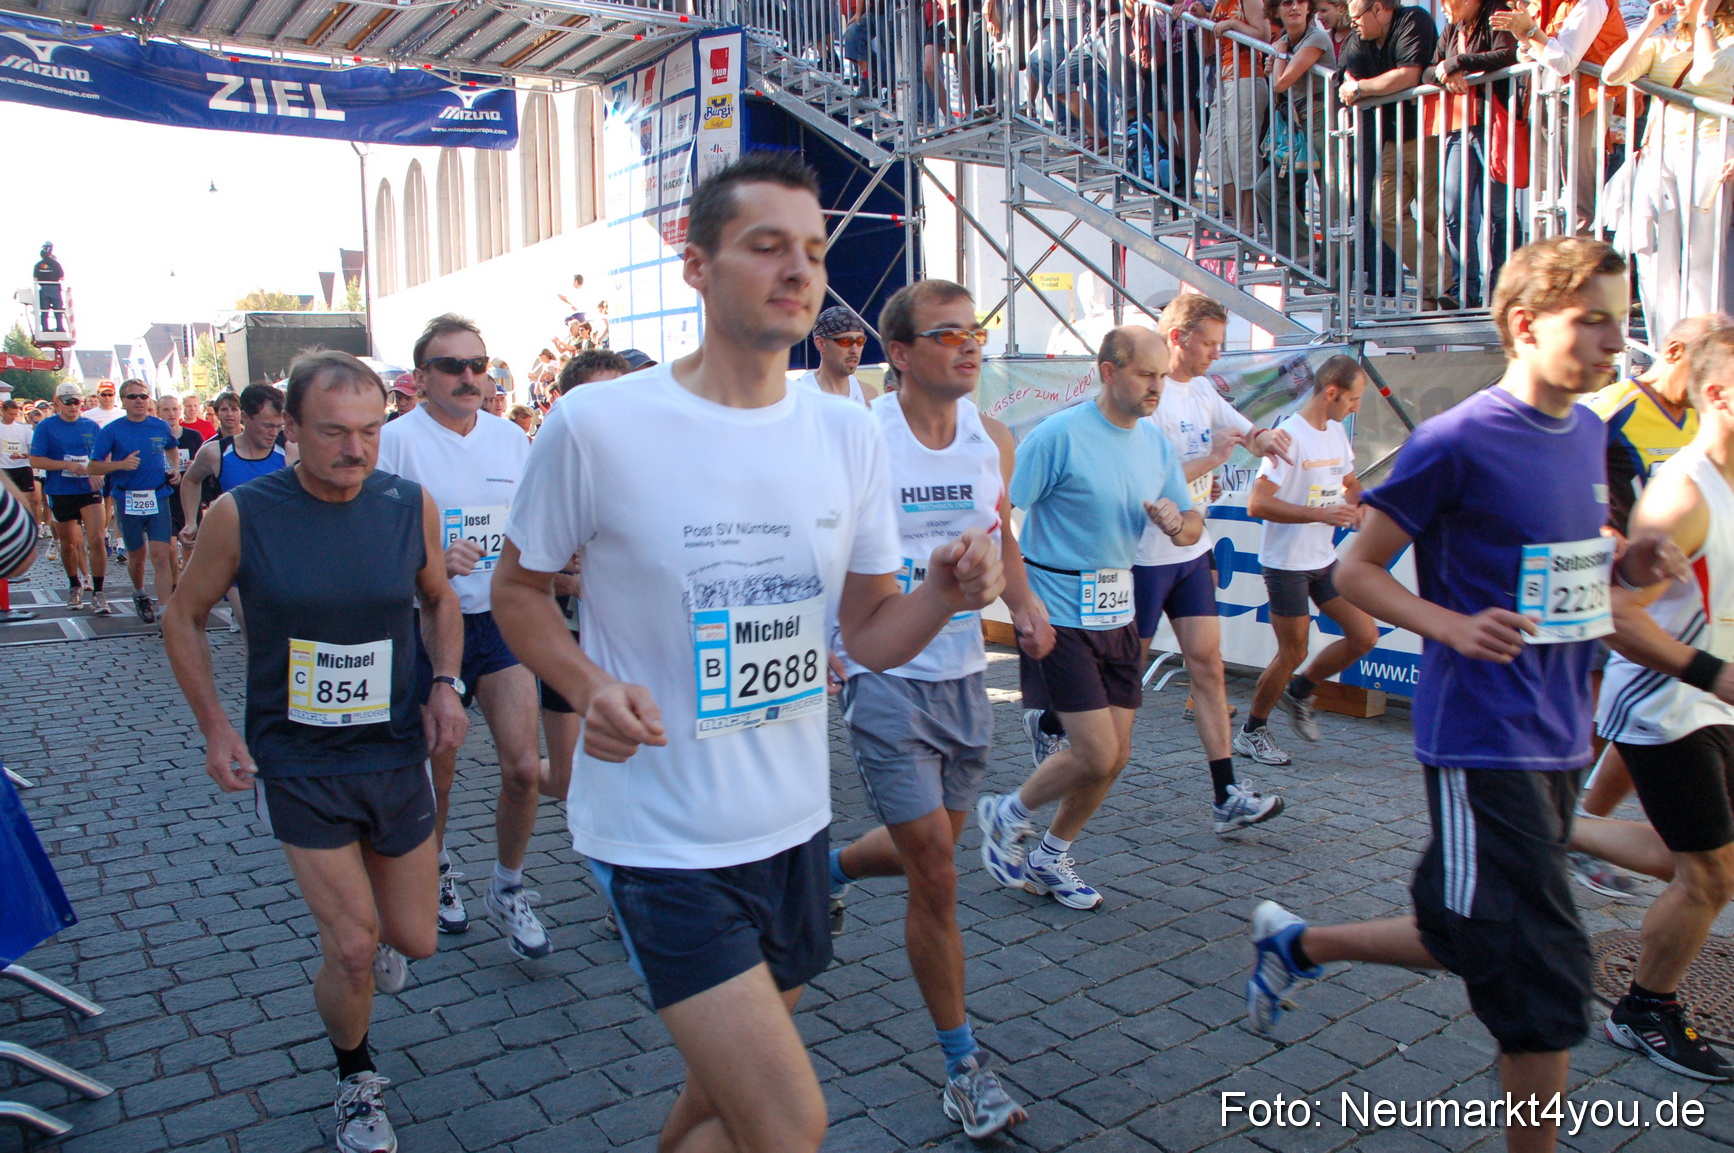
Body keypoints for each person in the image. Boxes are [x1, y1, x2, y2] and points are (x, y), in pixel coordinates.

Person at [491, 150, 1003, 1153]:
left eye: (812, 251)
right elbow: (516, 590)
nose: (799, 271)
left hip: (793, 827)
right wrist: (587, 684)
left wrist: (943, 593)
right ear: (696, 265)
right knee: (787, 1118)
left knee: (726, 1099)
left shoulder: (845, 436)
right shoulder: (598, 423)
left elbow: (867, 635)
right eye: (766, 246)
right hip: (658, 836)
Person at [1246, 237, 1679, 1153]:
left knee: (1461, 929)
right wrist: (1447, 625)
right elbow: (1357, 570)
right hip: (1483, 735)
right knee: (1546, 972)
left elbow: (1571, 572)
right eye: (1593, 317)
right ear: (1526, 324)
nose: (1615, 338)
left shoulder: (1596, 436)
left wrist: (1629, 563)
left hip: (1563, 726)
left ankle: (1296, 945)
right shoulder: (1457, 438)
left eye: (1621, 316)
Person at [164, 350, 468, 1153]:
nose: (356, 448)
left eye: (370, 430)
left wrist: (445, 683)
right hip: (297, 760)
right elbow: (182, 615)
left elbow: (439, 599)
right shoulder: (244, 512)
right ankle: (355, 1080)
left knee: (417, 937)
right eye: (333, 431)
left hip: (396, 750)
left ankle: (361, 952)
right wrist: (216, 729)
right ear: (289, 427)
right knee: (355, 944)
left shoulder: (410, 504)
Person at [827, 279, 1050, 1138]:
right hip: (886, 678)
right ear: (901, 353)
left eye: (977, 331)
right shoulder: (865, 439)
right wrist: (829, 643)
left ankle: (832, 871)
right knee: (940, 874)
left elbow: (1000, 531)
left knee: (942, 847)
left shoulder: (988, 440)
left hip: (962, 676)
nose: (970, 345)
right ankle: (964, 1065)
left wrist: (1023, 606)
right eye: (947, 333)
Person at [975, 323, 1207, 912]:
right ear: (1109, 372)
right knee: (1097, 753)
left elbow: (1191, 521)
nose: (1158, 386)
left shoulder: (1154, 443)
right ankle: (1005, 813)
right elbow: (1001, 514)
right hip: (1060, 613)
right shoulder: (1059, 435)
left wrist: (1177, 525)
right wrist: (1019, 602)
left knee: (1116, 756)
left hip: (1119, 611)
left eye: (1161, 375)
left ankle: (1052, 854)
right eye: (1145, 374)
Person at [1586, 313, 1734, 1083]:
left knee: (1707, 862)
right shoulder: (1681, 493)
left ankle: (1552, 824)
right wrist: (1715, 673)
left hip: (1714, 704)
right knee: (1708, 874)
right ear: (1720, 391)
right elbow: (1612, 615)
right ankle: (1643, 1009)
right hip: (1664, 706)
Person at [378, 315, 547, 957]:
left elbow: (533, 525)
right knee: (438, 775)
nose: (470, 376)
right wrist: (425, 559)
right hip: (427, 622)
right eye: (453, 366)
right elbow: (366, 539)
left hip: (501, 620)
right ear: (421, 378)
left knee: (524, 768)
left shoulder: (511, 440)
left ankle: (507, 888)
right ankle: (438, 869)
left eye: (479, 364)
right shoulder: (394, 444)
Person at [1130, 296, 1293, 828]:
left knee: (1208, 666)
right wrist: (1215, 460)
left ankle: (1226, 794)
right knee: (1121, 678)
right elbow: (1153, 482)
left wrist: (1267, 438)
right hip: (1142, 556)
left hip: (1191, 552)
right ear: (1178, 337)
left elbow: (1247, 430)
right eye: (1209, 344)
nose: (1215, 356)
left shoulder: (1201, 389)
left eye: (1221, 345)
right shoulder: (1147, 395)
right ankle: (1061, 726)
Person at [1567, 318, 1707, 897]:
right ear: (1674, 351)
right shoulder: (1612, 405)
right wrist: (1605, 529)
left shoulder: (1705, 417)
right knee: (1604, 717)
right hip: (1614, 587)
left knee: (1640, 722)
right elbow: (1569, 477)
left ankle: (1577, 831)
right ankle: (1551, 826)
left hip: (1681, 597)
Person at [1241, 355, 1379, 757]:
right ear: (1331, 392)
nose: (1356, 407)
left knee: (1364, 634)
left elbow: (1350, 480)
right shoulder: (1290, 436)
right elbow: (1257, 504)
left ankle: (1299, 692)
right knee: (1294, 651)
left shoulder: (1335, 433)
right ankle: (1252, 731)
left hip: (1322, 560)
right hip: (1286, 563)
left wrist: (1359, 505)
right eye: (1352, 399)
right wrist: (1321, 514)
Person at [1601, 0, 1734, 344]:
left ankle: (1703, 349)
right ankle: (1668, 347)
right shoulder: (1662, 43)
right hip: (1658, 155)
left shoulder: (1730, 44)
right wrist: (1648, 25)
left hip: (1709, 151)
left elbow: (1708, 74)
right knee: (1655, 257)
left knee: (1702, 260)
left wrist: (1703, 17)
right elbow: (1612, 74)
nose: (1675, 1)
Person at [1338, 0, 1448, 305]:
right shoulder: (1360, 38)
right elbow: (1347, 80)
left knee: (1431, 218)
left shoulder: (1414, 19)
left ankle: (1434, 296)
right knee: (1383, 215)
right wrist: (1369, 86)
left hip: (1428, 134)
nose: (1353, 24)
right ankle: (1442, 283)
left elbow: (1407, 77)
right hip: (1390, 140)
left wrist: (1363, 88)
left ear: (1378, 9)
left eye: (1357, 17)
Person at [1493, 0, 1628, 235]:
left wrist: (1531, 32)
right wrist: (1526, 38)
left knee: (1581, 199)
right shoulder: (1551, 6)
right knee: (1545, 196)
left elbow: (1564, 62)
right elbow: (1528, 56)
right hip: (1548, 102)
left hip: (1583, 105)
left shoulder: (1592, 3)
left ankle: (1582, 266)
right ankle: (1548, 263)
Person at [1429, 0, 1519, 309]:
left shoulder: (1496, 10)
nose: (1442, 7)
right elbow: (1430, 68)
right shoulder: (1454, 26)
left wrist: (1458, 64)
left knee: (1498, 211)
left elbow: (1508, 53)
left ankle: (1502, 289)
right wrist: (1444, 73)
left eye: (1445, 1)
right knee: (1454, 209)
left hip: (1492, 122)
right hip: (1458, 125)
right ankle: (1463, 287)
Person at [88, 380, 180, 623]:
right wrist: (120, 465)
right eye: (132, 397)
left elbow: (172, 448)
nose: (138, 400)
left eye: (143, 396)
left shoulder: (160, 426)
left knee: (161, 555)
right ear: (123, 401)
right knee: (137, 557)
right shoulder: (112, 430)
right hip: (128, 499)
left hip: (158, 497)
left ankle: (165, 613)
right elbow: (93, 465)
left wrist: (173, 468)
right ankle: (139, 593)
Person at [31, 383, 105, 612]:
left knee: (97, 539)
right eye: (68, 402)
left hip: (88, 490)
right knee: (69, 544)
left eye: (77, 402)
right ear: (57, 404)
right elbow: (35, 461)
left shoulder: (91, 426)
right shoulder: (46, 427)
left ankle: (100, 591)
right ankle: (74, 584)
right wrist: (67, 465)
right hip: (61, 490)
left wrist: (98, 472)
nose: (74, 406)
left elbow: (104, 454)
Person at [1202, 0, 1272, 231]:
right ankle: (1240, 219)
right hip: (1222, 81)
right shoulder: (1220, 4)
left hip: (1247, 77)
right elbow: (1207, 51)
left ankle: (1249, 221)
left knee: (1242, 151)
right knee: (1216, 155)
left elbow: (1264, 36)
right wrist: (1202, 21)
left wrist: (1233, 23)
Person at [157, 393, 205, 565]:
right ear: (158, 413)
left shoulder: (193, 436)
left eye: (175, 409)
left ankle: (187, 578)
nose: (171, 413)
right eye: (166, 409)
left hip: (189, 497)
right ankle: (175, 584)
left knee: (190, 545)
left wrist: (196, 464)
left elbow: (204, 465)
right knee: (169, 547)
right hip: (165, 496)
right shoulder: (156, 439)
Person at [795, 306, 876, 404]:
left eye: (860, 341)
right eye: (845, 341)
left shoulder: (868, 395)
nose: (854, 350)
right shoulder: (797, 395)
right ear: (820, 343)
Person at [0, 399, 41, 531]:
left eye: (15, 414)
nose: (13, 417)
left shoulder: (25, 429)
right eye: (10, 414)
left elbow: (33, 452)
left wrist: (22, 456)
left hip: (22, 467)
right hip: (4, 469)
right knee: (6, 502)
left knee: (27, 500)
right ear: (3, 412)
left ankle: (28, 526)